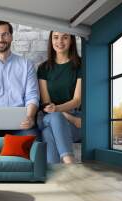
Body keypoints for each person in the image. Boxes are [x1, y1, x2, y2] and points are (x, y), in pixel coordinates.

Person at [37, 31, 82, 164]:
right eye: (56, 37)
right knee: (55, 117)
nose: (60, 41)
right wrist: (70, 118)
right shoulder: (44, 68)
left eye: (65, 37)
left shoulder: (80, 65)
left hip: (76, 120)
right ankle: (70, 162)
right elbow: (47, 104)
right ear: (51, 40)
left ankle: (55, 175)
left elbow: (77, 100)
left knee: (47, 133)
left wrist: (58, 109)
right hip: (54, 117)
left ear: (71, 40)